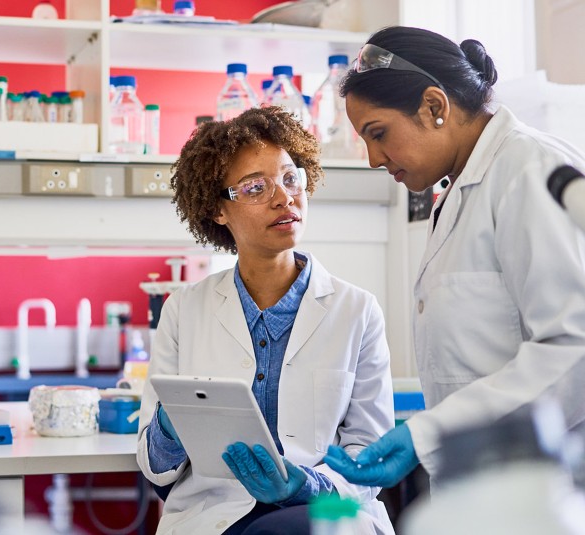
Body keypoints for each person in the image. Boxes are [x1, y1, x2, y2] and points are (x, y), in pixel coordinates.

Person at [324, 25, 585, 503]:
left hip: (558, 489)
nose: (372, 159)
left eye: (378, 133)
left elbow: (581, 347)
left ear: (434, 106)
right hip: (491, 484)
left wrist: (429, 433)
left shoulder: (531, 173)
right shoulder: (461, 188)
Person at [136, 106, 396, 534]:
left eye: (291, 178)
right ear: (218, 210)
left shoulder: (357, 310)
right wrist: (172, 421)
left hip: (325, 509)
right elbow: (154, 466)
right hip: (214, 516)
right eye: (256, 187)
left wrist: (305, 484)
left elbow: (369, 459)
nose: (284, 197)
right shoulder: (185, 309)